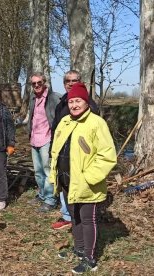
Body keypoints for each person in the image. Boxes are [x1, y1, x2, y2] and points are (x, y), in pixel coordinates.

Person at [50, 82, 116, 274]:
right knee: (74, 216)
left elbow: (107, 156)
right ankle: (79, 249)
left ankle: (90, 258)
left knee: (88, 219)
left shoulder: (96, 123)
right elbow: (56, 150)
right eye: (71, 102)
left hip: (87, 183)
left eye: (78, 101)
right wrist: (55, 174)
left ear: (86, 102)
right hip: (66, 180)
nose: (74, 105)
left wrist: (89, 177)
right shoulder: (65, 122)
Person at [50, 70, 100, 230]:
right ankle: (68, 217)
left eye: (74, 80)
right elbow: (55, 130)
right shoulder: (61, 104)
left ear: (80, 82)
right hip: (63, 157)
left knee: (81, 191)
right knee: (65, 187)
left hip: (80, 159)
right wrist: (53, 151)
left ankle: (83, 219)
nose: (71, 83)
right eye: (68, 81)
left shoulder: (90, 105)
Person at [26, 72, 60, 212]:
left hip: (47, 139)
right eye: (33, 83)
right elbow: (32, 118)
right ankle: (42, 194)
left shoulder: (54, 98)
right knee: (38, 171)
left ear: (44, 82)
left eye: (39, 82)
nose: (36, 85)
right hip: (35, 139)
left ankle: (51, 200)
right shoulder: (33, 98)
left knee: (48, 171)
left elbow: (59, 119)